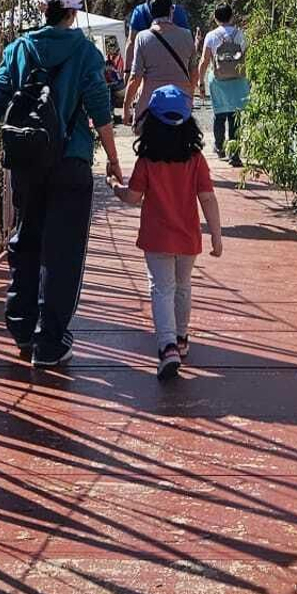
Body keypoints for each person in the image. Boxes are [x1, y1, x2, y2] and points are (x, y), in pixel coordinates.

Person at [0, 0, 123, 369]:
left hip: (26, 161)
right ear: (74, 11)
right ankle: (51, 341)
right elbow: (99, 109)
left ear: (43, 7)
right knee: (64, 252)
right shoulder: (87, 54)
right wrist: (112, 157)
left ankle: (22, 327)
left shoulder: (19, 48)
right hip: (71, 161)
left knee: (27, 239)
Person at [111, 85, 222, 379]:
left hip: (157, 237)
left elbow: (133, 197)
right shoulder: (195, 159)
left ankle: (167, 346)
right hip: (188, 236)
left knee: (162, 288)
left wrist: (115, 188)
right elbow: (208, 198)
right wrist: (216, 235)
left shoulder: (147, 161)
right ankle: (182, 338)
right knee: (183, 286)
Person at [124, 0, 196, 128]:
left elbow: (135, 78)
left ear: (151, 12)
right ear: (171, 10)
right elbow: (194, 72)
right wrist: (189, 95)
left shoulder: (142, 37)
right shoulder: (187, 35)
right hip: (180, 103)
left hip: (151, 105)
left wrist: (126, 107)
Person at [201, 3, 250, 164]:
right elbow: (246, 58)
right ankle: (234, 154)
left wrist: (200, 81)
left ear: (215, 18)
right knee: (235, 117)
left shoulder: (211, 36)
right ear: (232, 16)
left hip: (218, 80)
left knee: (220, 115)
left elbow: (204, 60)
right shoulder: (241, 35)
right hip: (238, 80)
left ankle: (220, 147)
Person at [125, 0, 192, 67]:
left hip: (148, 69)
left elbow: (131, 43)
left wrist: (127, 70)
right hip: (174, 67)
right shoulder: (177, 11)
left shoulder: (139, 11)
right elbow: (187, 43)